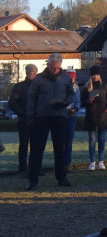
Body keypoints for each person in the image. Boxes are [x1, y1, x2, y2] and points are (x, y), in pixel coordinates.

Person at [25, 53, 75, 190]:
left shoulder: (66, 78)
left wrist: (65, 103)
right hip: (42, 117)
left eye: (57, 68)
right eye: (53, 68)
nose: (55, 71)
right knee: (37, 150)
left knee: (60, 149)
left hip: (60, 116)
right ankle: (33, 179)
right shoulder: (39, 79)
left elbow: (72, 94)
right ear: (48, 65)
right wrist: (30, 117)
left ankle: (61, 177)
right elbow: (31, 98)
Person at [80, 65, 107, 170]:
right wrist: (88, 101)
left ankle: (101, 161)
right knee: (92, 140)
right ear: (91, 76)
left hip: (102, 117)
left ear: (99, 76)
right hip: (91, 117)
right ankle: (92, 161)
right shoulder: (87, 87)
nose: (95, 77)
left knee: (101, 139)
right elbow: (81, 102)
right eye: (93, 75)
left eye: (97, 75)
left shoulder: (104, 86)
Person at [8, 63, 38, 175]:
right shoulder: (19, 87)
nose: (35, 74)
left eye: (36, 72)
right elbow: (12, 103)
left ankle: (34, 168)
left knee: (35, 146)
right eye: (33, 72)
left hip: (36, 120)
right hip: (23, 121)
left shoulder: (38, 87)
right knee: (24, 146)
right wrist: (23, 113)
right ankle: (22, 169)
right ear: (27, 73)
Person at [63, 67, 81, 173]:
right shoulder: (62, 87)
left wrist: (76, 109)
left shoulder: (76, 88)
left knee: (69, 141)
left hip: (72, 116)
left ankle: (68, 163)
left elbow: (78, 100)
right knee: (62, 141)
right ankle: (61, 162)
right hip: (63, 115)